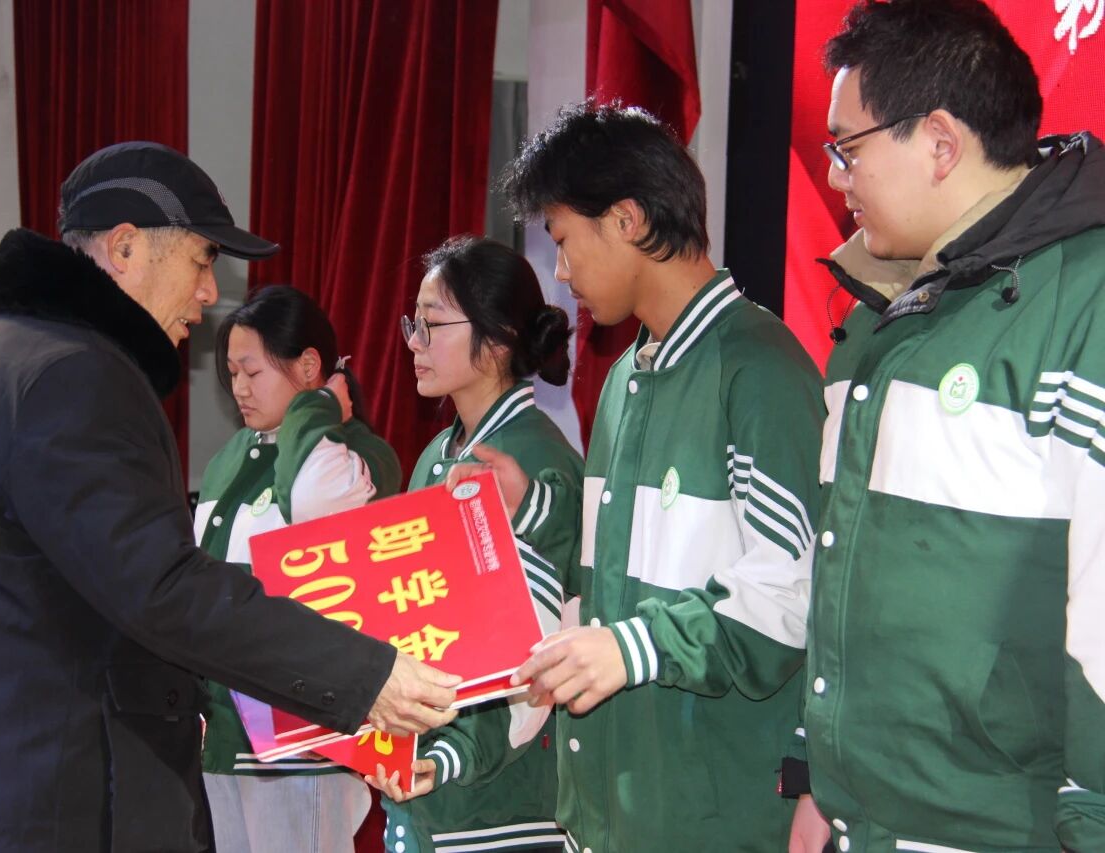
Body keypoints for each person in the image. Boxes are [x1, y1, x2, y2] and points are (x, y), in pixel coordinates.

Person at [0, 141, 459, 853]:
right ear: (125, 248)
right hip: (38, 809)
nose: (210, 293)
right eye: (201, 260)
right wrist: (366, 673)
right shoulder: (71, 377)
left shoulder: (35, 354)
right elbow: (163, 589)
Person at [463, 101, 826, 852]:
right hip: (610, 813)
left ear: (627, 220)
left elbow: (790, 597)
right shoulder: (626, 376)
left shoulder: (760, 369)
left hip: (710, 820)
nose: (562, 272)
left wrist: (630, 647)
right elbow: (612, 589)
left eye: (564, 240)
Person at [789, 2, 1105, 851]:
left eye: (848, 149)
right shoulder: (876, 314)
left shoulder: (1086, 301)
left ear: (938, 141)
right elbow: (839, 570)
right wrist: (817, 775)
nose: (836, 179)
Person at [368, 236, 584, 852]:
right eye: (413, 324)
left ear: (497, 340)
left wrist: (450, 756)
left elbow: (533, 662)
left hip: (499, 807)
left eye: (432, 324)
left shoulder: (536, 460)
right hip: (429, 788)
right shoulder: (439, 455)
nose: (413, 342)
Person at [195, 285, 401, 853]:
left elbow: (312, 502)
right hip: (222, 739)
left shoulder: (356, 454)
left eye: (252, 371)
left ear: (309, 366)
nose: (239, 388)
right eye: (231, 373)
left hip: (300, 743)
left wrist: (318, 408)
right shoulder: (229, 458)